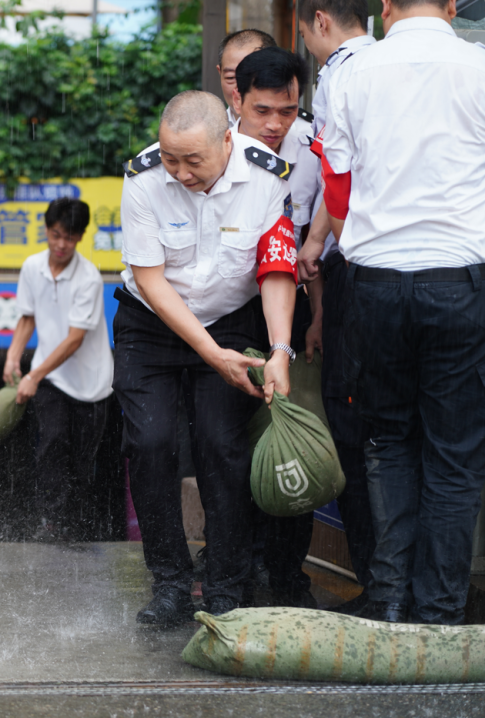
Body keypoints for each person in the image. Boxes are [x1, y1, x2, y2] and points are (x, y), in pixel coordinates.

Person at [314, 0, 485, 625]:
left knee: (386, 443)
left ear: (385, 8)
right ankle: (438, 611)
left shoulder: (350, 72)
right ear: (450, 7)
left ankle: (387, 601)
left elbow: (337, 188)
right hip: (460, 282)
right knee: (454, 452)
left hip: (374, 284)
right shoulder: (479, 66)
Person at [115, 90, 297, 626]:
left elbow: (276, 265)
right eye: (171, 158)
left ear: (227, 140)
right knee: (150, 443)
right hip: (152, 325)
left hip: (233, 320)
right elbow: (150, 278)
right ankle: (170, 581)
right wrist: (209, 353)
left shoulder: (267, 176)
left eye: (193, 160)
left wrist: (280, 348)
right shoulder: (144, 178)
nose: (180, 171)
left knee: (222, 446)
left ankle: (225, 583)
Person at [295, 0, 377, 617]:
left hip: (368, 271)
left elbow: (336, 178)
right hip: (450, 270)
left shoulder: (340, 76)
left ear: (320, 21)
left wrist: (324, 243)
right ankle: (425, 590)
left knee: (360, 431)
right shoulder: (394, 64)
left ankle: (381, 583)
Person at [232, 46, 322, 609]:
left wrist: (317, 323)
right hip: (230, 311)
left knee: (293, 434)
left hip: (295, 307)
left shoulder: (314, 150)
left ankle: (289, 574)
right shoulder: (210, 147)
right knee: (228, 444)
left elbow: (317, 238)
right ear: (235, 100)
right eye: (263, 110)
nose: (275, 124)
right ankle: (235, 570)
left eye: (286, 111)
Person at [3, 197, 114, 541]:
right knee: (51, 445)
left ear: (80, 237)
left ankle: (78, 529)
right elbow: (27, 317)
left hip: (91, 384)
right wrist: (13, 357)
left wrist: (33, 376)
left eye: (70, 237)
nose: (61, 244)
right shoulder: (32, 267)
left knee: (82, 461)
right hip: (51, 377)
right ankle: (52, 523)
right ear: (46, 231)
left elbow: (74, 339)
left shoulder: (89, 278)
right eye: (55, 235)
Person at [215, 29, 277, 124]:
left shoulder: (303, 134)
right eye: (231, 78)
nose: (240, 87)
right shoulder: (209, 133)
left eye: (251, 76)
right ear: (220, 74)